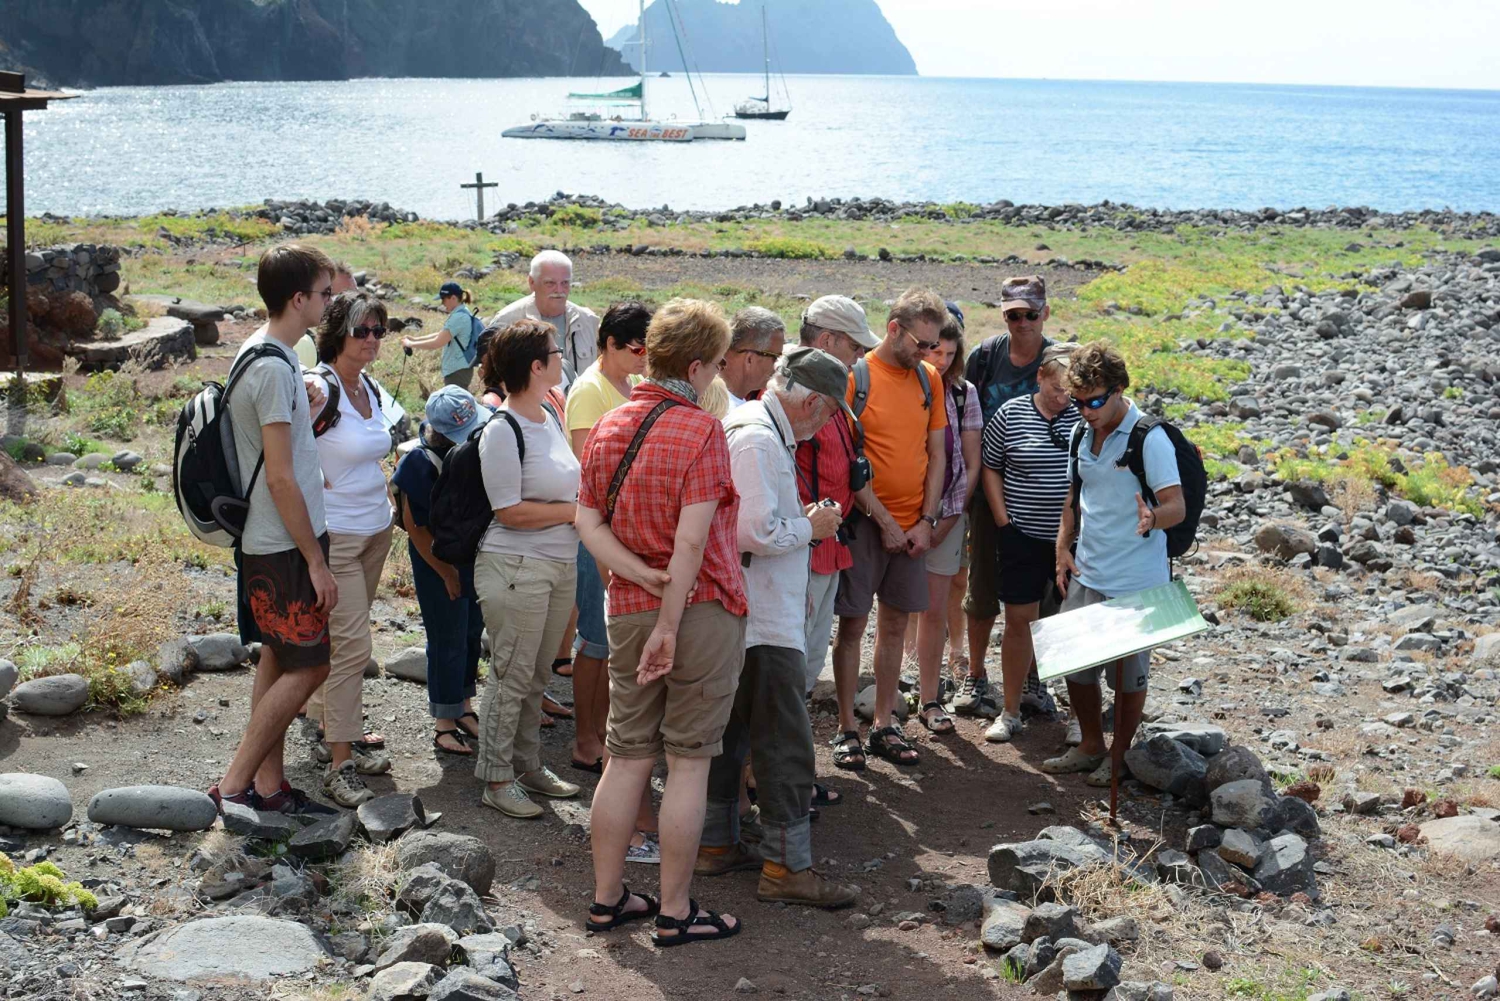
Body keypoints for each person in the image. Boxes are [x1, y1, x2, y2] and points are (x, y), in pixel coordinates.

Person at [576, 297, 746, 947]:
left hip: (627, 606)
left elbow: (587, 521)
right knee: (688, 763)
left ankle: (607, 899)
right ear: (697, 366)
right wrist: (670, 618)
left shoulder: (609, 423)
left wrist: (637, 574)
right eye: (717, 363)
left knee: (625, 757)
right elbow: (692, 542)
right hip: (697, 610)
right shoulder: (702, 430)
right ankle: (675, 911)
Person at [697, 349, 858, 909]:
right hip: (760, 616)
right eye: (830, 411)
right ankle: (786, 867)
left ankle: (716, 844)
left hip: (751, 611)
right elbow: (755, 532)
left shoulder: (758, 431)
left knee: (733, 733)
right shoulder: (759, 440)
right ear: (812, 402)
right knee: (785, 741)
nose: (828, 424)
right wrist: (812, 527)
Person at [209, 243, 340, 817]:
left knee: (277, 657)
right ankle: (235, 784)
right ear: (298, 298)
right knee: (311, 664)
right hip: (283, 543)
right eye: (325, 293)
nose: (330, 303)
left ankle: (268, 787)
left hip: (276, 537)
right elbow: (281, 478)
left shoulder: (270, 353)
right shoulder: (270, 367)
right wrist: (316, 560)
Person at [1044, 341, 1184, 787]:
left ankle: (1119, 756)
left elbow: (1176, 506)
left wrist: (1153, 518)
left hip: (1135, 579)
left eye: (1095, 401)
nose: (1086, 411)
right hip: (1088, 567)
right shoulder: (1080, 432)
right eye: (1078, 402)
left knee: (1127, 678)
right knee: (1075, 665)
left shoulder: (1149, 438)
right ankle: (1090, 745)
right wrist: (1063, 549)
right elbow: (1074, 497)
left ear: (1119, 390)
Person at [830, 287, 948, 770]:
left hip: (912, 528)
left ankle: (884, 723)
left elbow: (937, 454)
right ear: (894, 329)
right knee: (853, 625)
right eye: (921, 344)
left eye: (934, 345)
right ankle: (846, 727)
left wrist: (925, 522)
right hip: (864, 525)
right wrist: (884, 521)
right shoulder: (856, 378)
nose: (929, 353)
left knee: (896, 625)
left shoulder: (929, 379)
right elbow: (844, 462)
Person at [471, 320, 584, 818]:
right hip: (516, 565)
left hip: (556, 565)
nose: (563, 359)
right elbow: (508, 511)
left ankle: (528, 765)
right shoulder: (503, 428)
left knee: (537, 675)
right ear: (536, 366)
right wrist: (574, 512)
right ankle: (496, 778)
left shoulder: (549, 414)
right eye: (556, 352)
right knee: (512, 674)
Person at [564, 300, 662, 864]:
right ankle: (587, 738)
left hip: (625, 532)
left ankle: (604, 737)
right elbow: (589, 472)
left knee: (610, 641)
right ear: (609, 344)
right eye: (636, 348)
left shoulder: (630, 385)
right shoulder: (590, 391)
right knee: (597, 639)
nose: (643, 357)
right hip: (598, 532)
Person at [303, 291, 396, 806]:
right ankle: (340, 763)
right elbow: (275, 440)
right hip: (337, 536)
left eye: (380, 330)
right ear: (337, 332)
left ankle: (333, 731)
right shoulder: (319, 386)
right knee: (355, 648)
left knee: (344, 643)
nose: (372, 339)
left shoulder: (370, 387)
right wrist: (310, 476)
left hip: (375, 531)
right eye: (362, 330)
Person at [953, 275, 1056, 719]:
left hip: (1044, 495)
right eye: (1013, 314)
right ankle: (975, 675)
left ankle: (1034, 677)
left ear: (1044, 312)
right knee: (981, 589)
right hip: (987, 490)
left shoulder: (1057, 360)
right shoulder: (985, 357)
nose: (1022, 322)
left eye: (1030, 313)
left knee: (1045, 593)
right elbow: (962, 412)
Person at [979, 343, 1081, 743]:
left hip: (1073, 541)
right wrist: (1003, 522)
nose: (1063, 398)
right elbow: (991, 467)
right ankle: (1010, 711)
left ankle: (1080, 717)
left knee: (1072, 623)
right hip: (1021, 535)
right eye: (1057, 389)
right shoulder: (1011, 414)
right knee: (1019, 621)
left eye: (1070, 391)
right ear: (1040, 377)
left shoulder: (1083, 416)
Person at [390, 386, 490, 758]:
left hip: (468, 553)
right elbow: (416, 528)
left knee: (471, 630)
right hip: (435, 558)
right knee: (446, 634)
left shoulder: (470, 449)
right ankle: (444, 723)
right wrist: (446, 572)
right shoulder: (419, 463)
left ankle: (463, 704)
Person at [793, 297, 879, 711]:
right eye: (854, 346)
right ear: (826, 340)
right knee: (789, 659)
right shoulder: (792, 391)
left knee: (809, 658)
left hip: (827, 544)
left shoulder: (827, 385)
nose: (860, 357)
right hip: (800, 549)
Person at [907, 306, 982, 735]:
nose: (942, 361)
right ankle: (889, 698)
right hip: (898, 514)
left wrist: (949, 517)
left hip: (947, 515)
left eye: (950, 354)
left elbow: (970, 463)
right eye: (936, 352)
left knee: (935, 608)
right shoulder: (898, 384)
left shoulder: (963, 393)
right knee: (894, 608)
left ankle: (929, 696)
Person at [489, 251, 600, 388]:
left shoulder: (588, 321)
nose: (559, 290)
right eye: (550, 283)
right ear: (532, 282)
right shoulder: (506, 322)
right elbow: (491, 379)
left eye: (565, 283)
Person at [403, 281, 479, 389]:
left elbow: (437, 343)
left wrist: (410, 344)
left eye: (443, 299)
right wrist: (415, 339)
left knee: (454, 399)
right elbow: (442, 335)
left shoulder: (459, 317)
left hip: (457, 372)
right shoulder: (461, 313)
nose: (442, 303)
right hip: (458, 370)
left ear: (453, 298)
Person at [720, 307, 785, 408]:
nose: (777, 366)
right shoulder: (723, 410)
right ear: (749, 359)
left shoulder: (710, 395)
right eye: (775, 357)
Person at [295, 262, 356, 369]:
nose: (355, 305)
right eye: (341, 297)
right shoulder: (302, 343)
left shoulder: (356, 339)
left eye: (356, 296)